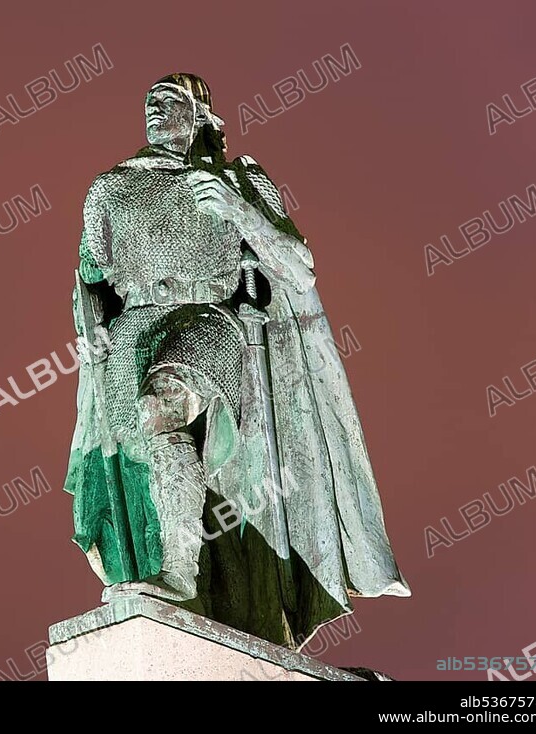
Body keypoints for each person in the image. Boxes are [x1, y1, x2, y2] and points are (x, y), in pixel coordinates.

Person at [64, 72, 409, 650]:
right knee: (137, 459)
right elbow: (91, 278)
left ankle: (179, 572)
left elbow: (297, 266)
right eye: (149, 102)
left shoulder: (237, 179)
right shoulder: (109, 189)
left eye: (170, 102)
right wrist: (93, 323)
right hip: (133, 329)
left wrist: (242, 214)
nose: (155, 111)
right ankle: (175, 572)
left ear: (200, 114)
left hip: (211, 319)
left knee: (163, 402)